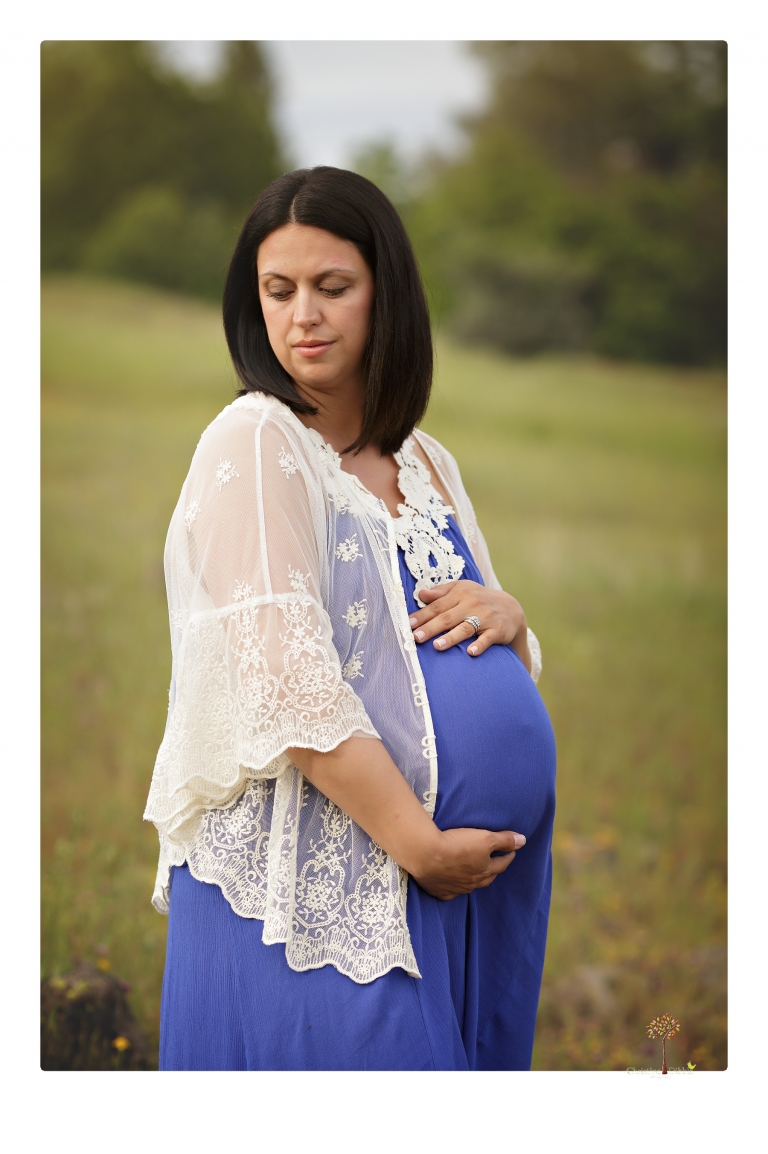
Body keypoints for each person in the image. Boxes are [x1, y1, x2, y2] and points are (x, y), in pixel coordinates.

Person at [145, 166, 556, 1071]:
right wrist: (418, 844)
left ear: (387, 295)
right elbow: (287, 678)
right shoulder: (257, 441)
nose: (303, 317)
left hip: (456, 889)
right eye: (278, 290)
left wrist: (511, 615)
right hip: (323, 887)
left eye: (333, 288)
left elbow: (462, 647)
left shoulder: (426, 459)